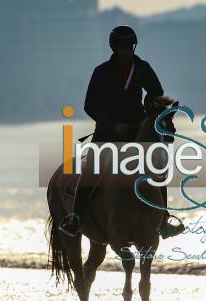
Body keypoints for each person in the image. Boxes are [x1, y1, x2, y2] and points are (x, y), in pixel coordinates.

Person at [58, 25, 185, 239]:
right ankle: (76, 217)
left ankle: (163, 217)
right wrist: (112, 124)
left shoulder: (142, 67)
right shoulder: (101, 72)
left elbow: (156, 93)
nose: (127, 51)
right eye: (123, 47)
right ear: (114, 47)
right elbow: (90, 105)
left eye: (130, 47)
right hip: (108, 132)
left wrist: (148, 111)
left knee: (156, 168)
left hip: (136, 130)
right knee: (92, 169)